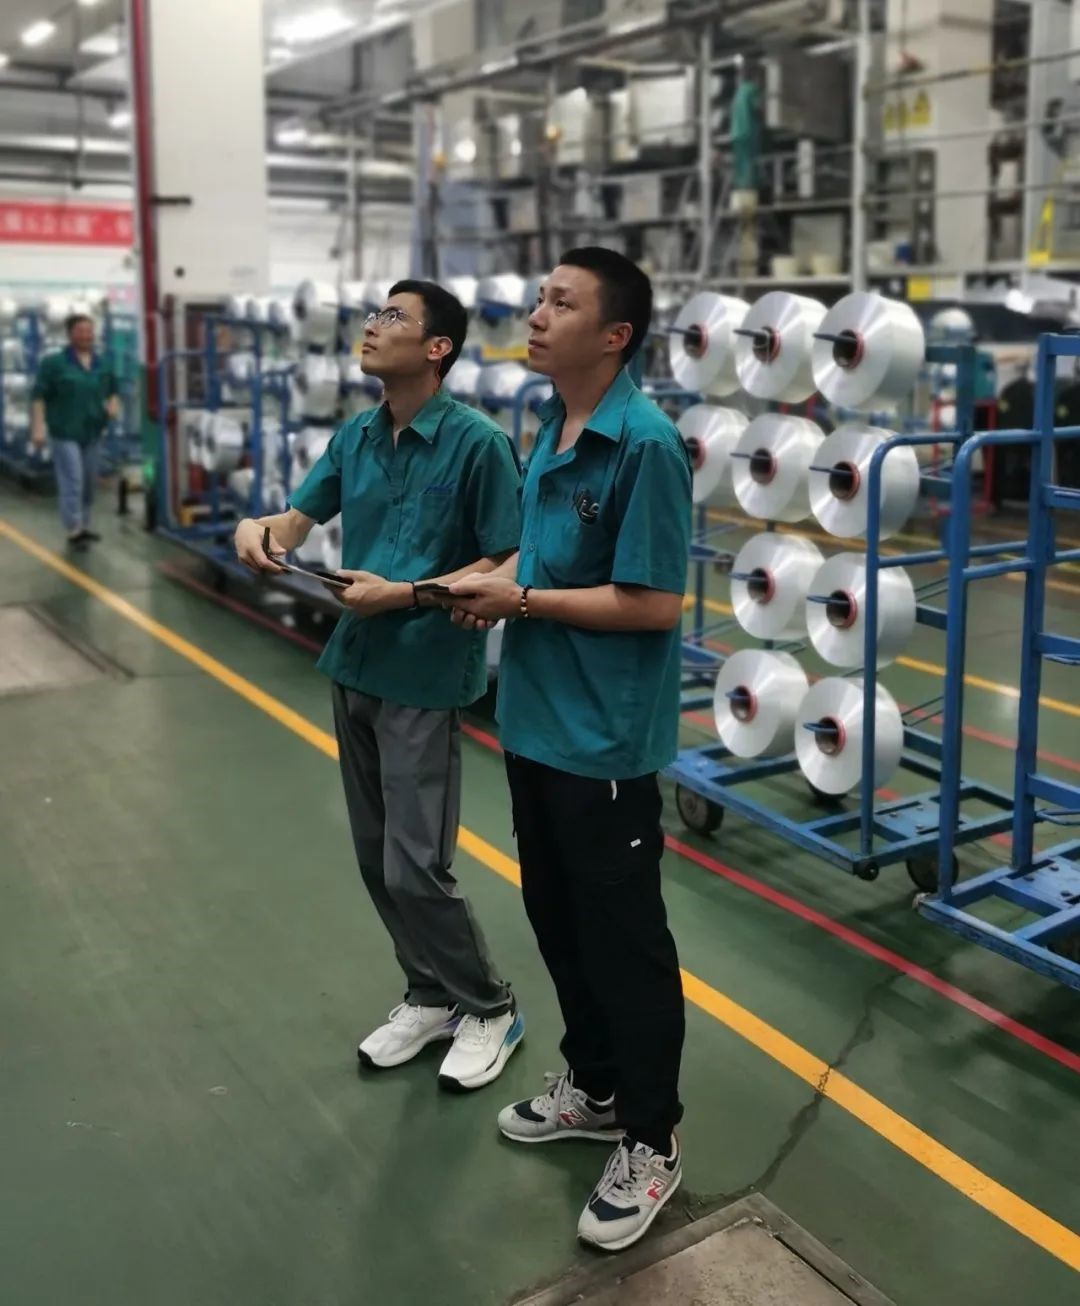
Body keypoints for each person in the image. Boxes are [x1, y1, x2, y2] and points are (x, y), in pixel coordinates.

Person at [448, 247, 692, 1252]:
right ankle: (595, 1087)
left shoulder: (646, 446)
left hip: (604, 742)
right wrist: (482, 582)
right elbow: (543, 561)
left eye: (561, 302)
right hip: (537, 722)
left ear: (615, 335)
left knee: (625, 943)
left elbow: (653, 603)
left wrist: (521, 599)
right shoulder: (554, 427)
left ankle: (652, 1137)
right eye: (539, 298)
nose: (537, 315)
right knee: (558, 921)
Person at [234, 280, 525, 1092]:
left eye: (394, 316)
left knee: (414, 866)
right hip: (356, 663)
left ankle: (490, 1006)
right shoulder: (357, 436)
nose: (372, 326)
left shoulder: (477, 444)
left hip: (424, 673)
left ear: (438, 348)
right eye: (374, 313)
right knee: (374, 857)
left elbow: (509, 558)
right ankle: (429, 993)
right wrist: (257, 529)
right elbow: (295, 522)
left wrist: (407, 593)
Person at [31, 313, 120, 549]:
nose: (85, 335)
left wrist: (113, 405)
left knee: (89, 483)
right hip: (64, 431)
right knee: (73, 479)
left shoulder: (102, 363)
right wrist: (37, 429)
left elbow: (113, 389)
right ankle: (74, 529)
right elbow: (38, 397)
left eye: (89, 330)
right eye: (80, 331)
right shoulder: (54, 364)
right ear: (70, 334)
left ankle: (84, 525)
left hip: (92, 431)